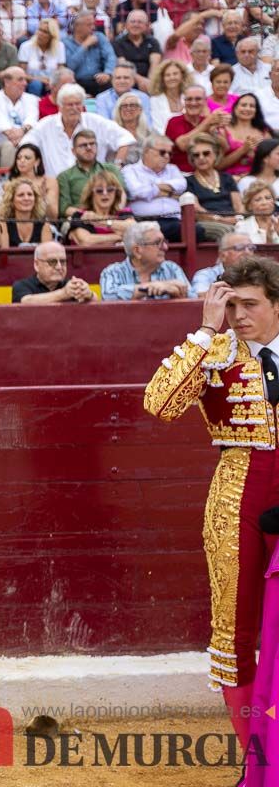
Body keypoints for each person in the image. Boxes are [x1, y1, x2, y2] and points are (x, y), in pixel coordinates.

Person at [144, 255, 279, 785]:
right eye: (231, 304)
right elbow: (159, 403)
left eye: (250, 305)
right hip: (237, 495)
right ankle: (259, 763)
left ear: (275, 304)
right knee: (237, 629)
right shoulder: (216, 350)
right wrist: (204, 329)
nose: (239, 315)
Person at [23, 84, 136, 176]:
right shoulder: (46, 125)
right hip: (56, 187)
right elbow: (25, 146)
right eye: (70, 105)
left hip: (93, 185)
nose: (74, 108)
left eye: (78, 104)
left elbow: (125, 138)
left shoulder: (95, 121)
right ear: (60, 106)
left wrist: (116, 167)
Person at [98, 220, 195, 300]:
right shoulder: (113, 271)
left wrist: (176, 293)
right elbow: (108, 296)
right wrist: (150, 287)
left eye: (164, 241)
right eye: (157, 243)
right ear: (137, 251)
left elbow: (193, 299)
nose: (165, 247)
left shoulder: (171, 268)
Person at [123, 134, 190, 241]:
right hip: (144, 221)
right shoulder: (130, 170)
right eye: (162, 152)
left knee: (197, 231)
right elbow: (136, 191)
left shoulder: (172, 169)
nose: (167, 156)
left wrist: (151, 188)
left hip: (174, 220)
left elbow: (182, 185)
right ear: (146, 151)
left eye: (170, 153)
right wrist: (169, 193)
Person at [187, 133, 244, 240]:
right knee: (226, 230)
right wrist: (221, 220)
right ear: (192, 159)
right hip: (207, 223)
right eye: (196, 155)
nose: (201, 158)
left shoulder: (226, 178)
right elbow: (197, 211)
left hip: (232, 220)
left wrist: (238, 218)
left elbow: (238, 206)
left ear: (216, 155)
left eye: (206, 153)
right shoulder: (188, 182)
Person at [57, 129, 126, 218]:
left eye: (92, 144)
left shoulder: (111, 169)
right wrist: (92, 216)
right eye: (83, 145)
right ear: (73, 151)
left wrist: (113, 214)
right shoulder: (65, 176)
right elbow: (64, 208)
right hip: (81, 220)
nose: (89, 148)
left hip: (112, 216)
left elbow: (122, 194)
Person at [0, 66, 39, 169]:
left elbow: (32, 119)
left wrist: (21, 133)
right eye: (20, 79)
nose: (25, 83)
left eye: (25, 79)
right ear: (7, 82)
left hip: (26, 141)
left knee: (32, 146)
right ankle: (7, 181)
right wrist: (13, 135)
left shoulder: (32, 99)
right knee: (9, 146)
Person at [12, 240, 96, 303]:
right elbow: (26, 302)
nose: (59, 267)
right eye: (52, 262)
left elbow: (97, 305)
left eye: (63, 261)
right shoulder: (22, 285)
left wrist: (88, 294)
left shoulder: (71, 286)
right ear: (37, 265)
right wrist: (63, 294)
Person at [65, 170, 135, 246]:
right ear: (91, 194)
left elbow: (134, 229)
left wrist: (100, 221)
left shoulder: (124, 213)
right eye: (99, 190)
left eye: (110, 190)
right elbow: (85, 241)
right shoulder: (81, 215)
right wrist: (120, 237)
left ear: (116, 193)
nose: (105, 193)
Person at [0, 178, 54, 249]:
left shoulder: (44, 226)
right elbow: (4, 256)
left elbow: (47, 256)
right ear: (12, 200)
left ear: (35, 199)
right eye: (21, 195)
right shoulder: (3, 225)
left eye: (30, 194)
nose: (26, 198)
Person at [65, 10, 117, 96]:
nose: (93, 27)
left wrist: (107, 73)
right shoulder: (66, 42)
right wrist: (85, 45)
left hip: (99, 79)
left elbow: (110, 57)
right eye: (89, 25)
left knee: (112, 85)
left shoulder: (99, 37)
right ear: (77, 26)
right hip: (76, 81)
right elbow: (70, 66)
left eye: (93, 24)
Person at [192, 233, 257, 295]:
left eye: (251, 248)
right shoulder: (205, 275)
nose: (247, 252)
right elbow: (201, 296)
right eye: (240, 248)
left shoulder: (259, 274)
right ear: (222, 255)